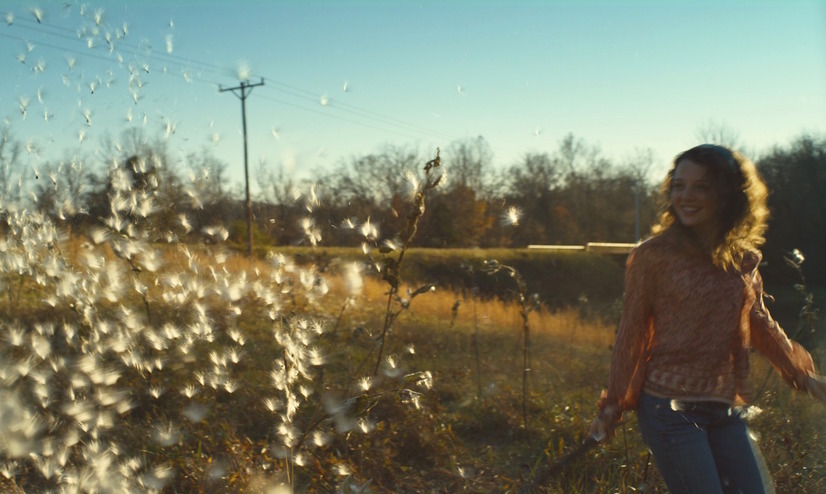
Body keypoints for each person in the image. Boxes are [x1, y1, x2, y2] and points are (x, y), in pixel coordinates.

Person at [589, 144, 820, 494]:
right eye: (679, 186)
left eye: (702, 186)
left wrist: (801, 374)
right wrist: (613, 405)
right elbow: (631, 334)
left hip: (723, 406)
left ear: (727, 194)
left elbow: (758, 321)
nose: (686, 196)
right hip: (668, 410)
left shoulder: (741, 259)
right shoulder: (653, 257)